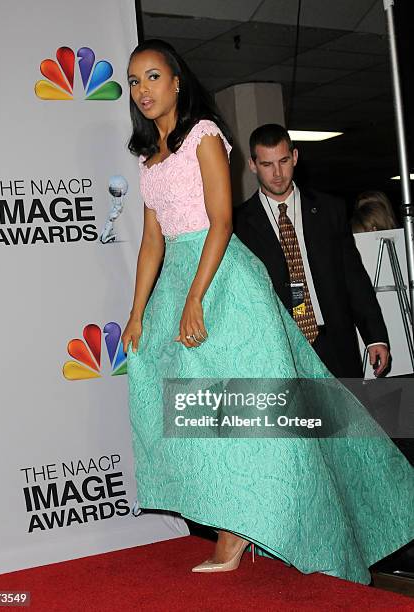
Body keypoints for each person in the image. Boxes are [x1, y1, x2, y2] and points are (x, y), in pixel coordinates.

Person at [122, 39, 414, 584]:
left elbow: (221, 222)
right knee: (199, 411)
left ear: (177, 82)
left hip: (222, 281)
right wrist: (136, 312)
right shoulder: (149, 158)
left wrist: (194, 298)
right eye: (135, 81)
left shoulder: (204, 136)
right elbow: (150, 246)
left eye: (153, 77)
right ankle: (236, 518)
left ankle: (242, 532)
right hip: (178, 280)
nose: (143, 91)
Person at [233, 125, 389, 379]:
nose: (277, 173)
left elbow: (354, 277)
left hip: (333, 340)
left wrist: (375, 337)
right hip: (279, 348)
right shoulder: (238, 224)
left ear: (295, 157)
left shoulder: (330, 210)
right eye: (267, 164)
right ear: (252, 165)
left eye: (283, 161)